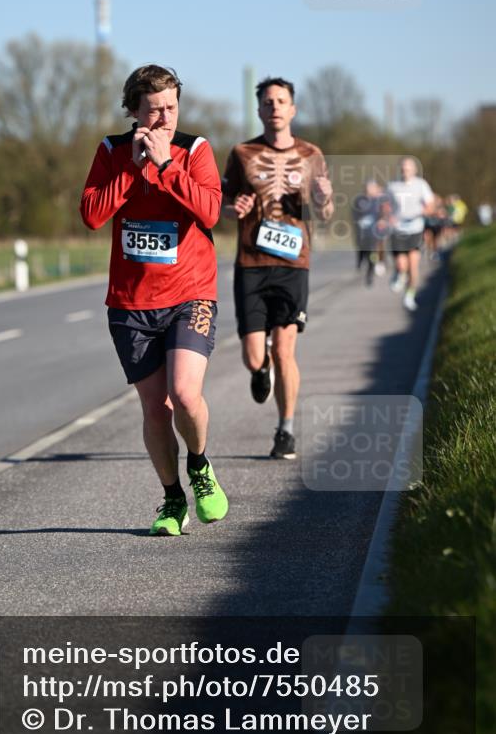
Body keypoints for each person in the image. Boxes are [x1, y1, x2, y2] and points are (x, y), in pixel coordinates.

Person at [80, 64, 228, 536]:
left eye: (171, 107)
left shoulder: (195, 149)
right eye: (154, 109)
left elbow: (210, 211)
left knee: (185, 393)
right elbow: (91, 215)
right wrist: (134, 168)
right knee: (154, 408)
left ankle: (200, 467)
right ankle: (171, 499)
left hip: (190, 293)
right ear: (133, 112)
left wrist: (165, 168)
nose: (164, 118)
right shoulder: (111, 151)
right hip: (130, 303)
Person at [222, 76, 334, 459]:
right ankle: (259, 369)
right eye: (267, 102)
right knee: (255, 356)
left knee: (285, 349)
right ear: (259, 110)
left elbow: (325, 210)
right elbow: (222, 202)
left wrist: (323, 199)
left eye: (281, 101)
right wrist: (232, 207)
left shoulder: (311, 154)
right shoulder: (241, 152)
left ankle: (285, 430)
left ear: (292, 109)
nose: (274, 107)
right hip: (251, 262)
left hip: (293, 263)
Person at [386, 157, 435, 312]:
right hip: (398, 230)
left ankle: (409, 295)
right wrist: (388, 216)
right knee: (402, 264)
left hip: (415, 229)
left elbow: (431, 205)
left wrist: (423, 211)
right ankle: (399, 273)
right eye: (402, 168)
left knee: (413, 267)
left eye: (408, 168)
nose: (405, 170)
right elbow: (385, 205)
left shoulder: (421, 185)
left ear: (414, 170)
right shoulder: (392, 186)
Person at [352, 180, 390, 285]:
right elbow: (355, 214)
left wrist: (382, 220)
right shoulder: (359, 200)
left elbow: (385, 212)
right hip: (362, 233)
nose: (370, 190)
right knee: (363, 251)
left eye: (373, 187)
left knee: (372, 254)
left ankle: (370, 273)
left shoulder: (379, 201)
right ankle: (361, 261)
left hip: (374, 233)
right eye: (368, 187)